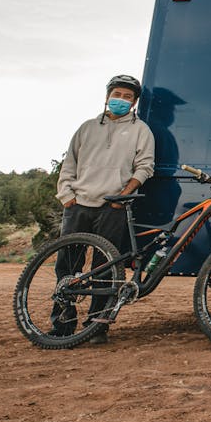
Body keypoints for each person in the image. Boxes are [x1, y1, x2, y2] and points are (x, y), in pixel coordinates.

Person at [53, 74, 156, 344]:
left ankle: (96, 327)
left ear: (134, 103)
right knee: (67, 267)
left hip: (113, 207)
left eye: (128, 97)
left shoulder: (140, 130)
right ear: (107, 96)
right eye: (117, 94)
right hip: (79, 205)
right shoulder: (86, 128)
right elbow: (69, 164)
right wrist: (67, 197)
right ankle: (62, 325)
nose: (121, 100)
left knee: (105, 269)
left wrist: (122, 195)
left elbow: (145, 166)